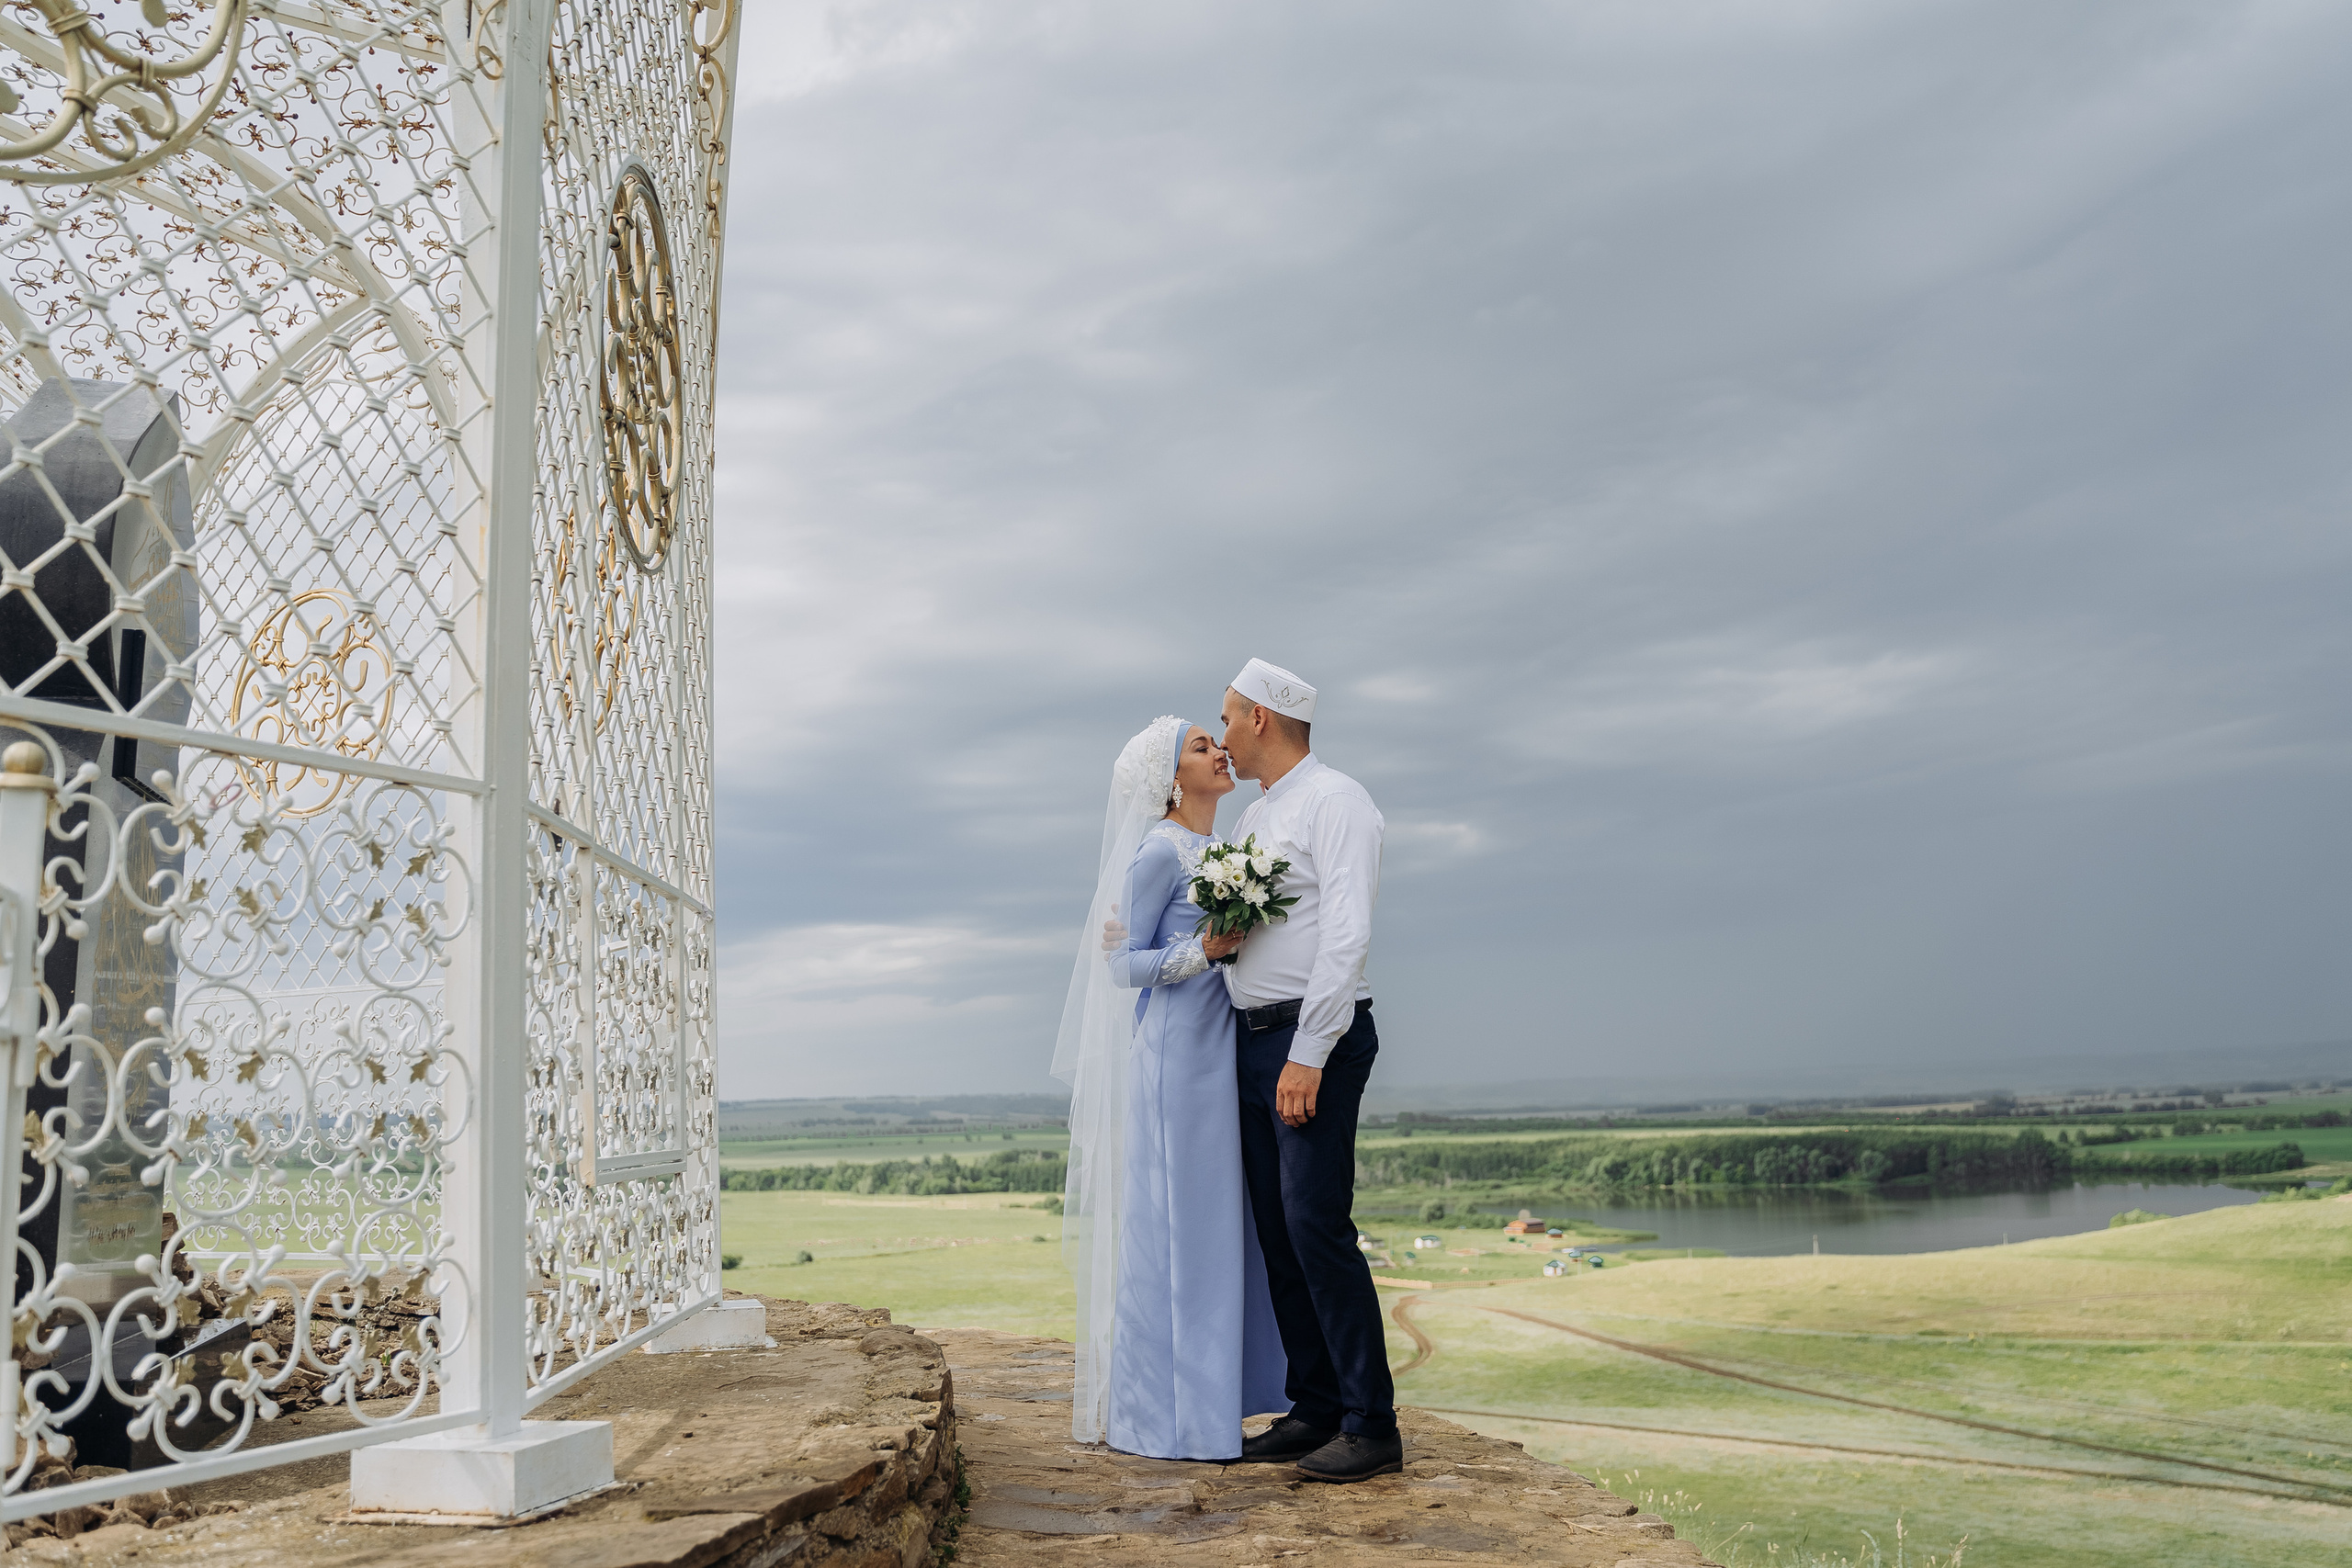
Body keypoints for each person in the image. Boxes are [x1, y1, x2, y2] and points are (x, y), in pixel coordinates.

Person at [1053, 716, 1287, 1460]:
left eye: (1212, 740)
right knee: (1188, 1227)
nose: (1218, 750)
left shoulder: (1225, 850)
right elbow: (1121, 968)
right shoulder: (1158, 850)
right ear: (1170, 779)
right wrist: (1204, 948)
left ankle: (1234, 1401)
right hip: (1178, 1054)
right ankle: (1175, 1418)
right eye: (1199, 745)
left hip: (1228, 1046)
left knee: (1230, 1224)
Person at [1217, 658, 1398, 1483]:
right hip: (1253, 1039)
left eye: (1227, 717)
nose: (1221, 735)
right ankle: (1316, 1404)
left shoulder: (1337, 800)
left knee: (1316, 1222)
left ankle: (1372, 1423)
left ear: (1261, 716)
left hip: (1309, 1042)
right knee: (1278, 1228)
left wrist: (1307, 1053)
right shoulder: (1255, 816)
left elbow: (1345, 935)